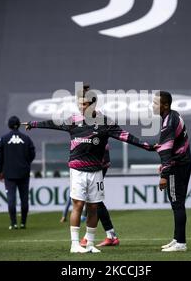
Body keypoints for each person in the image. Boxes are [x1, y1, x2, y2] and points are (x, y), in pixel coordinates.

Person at [24, 84, 154, 253]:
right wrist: (33, 124)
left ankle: (90, 244)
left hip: (96, 171)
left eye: (84, 104)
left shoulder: (105, 122)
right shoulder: (73, 120)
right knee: (78, 205)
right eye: (79, 103)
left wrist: (147, 146)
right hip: (77, 170)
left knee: (93, 207)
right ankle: (74, 244)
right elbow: (53, 123)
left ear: (93, 104)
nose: (81, 106)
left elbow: (125, 136)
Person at [153, 91, 191, 252]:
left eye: (156, 103)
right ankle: (177, 238)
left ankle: (181, 243)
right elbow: (171, 147)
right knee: (177, 202)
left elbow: (167, 150)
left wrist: (164, 175)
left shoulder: (169, 122)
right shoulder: (173, 116)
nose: (153, 106)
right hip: (181, 163)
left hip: (178, 166)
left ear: (165, 105)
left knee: (177, 203)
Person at [0, 116, 36, 230]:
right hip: (24, 172)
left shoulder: (3, 139)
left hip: (9, 174)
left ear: (9, 125)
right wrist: (26, 163)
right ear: (19, 124)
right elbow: (32, 153)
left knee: (11, 199)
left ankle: (13, 223)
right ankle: (23, 223)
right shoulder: (26, 138)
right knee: (24, 199)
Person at [80, 144, 120, 247]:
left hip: (96, 162)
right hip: (97, 161)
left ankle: (90, 237)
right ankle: (110, 235)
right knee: (94, 200)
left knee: (94, 200)